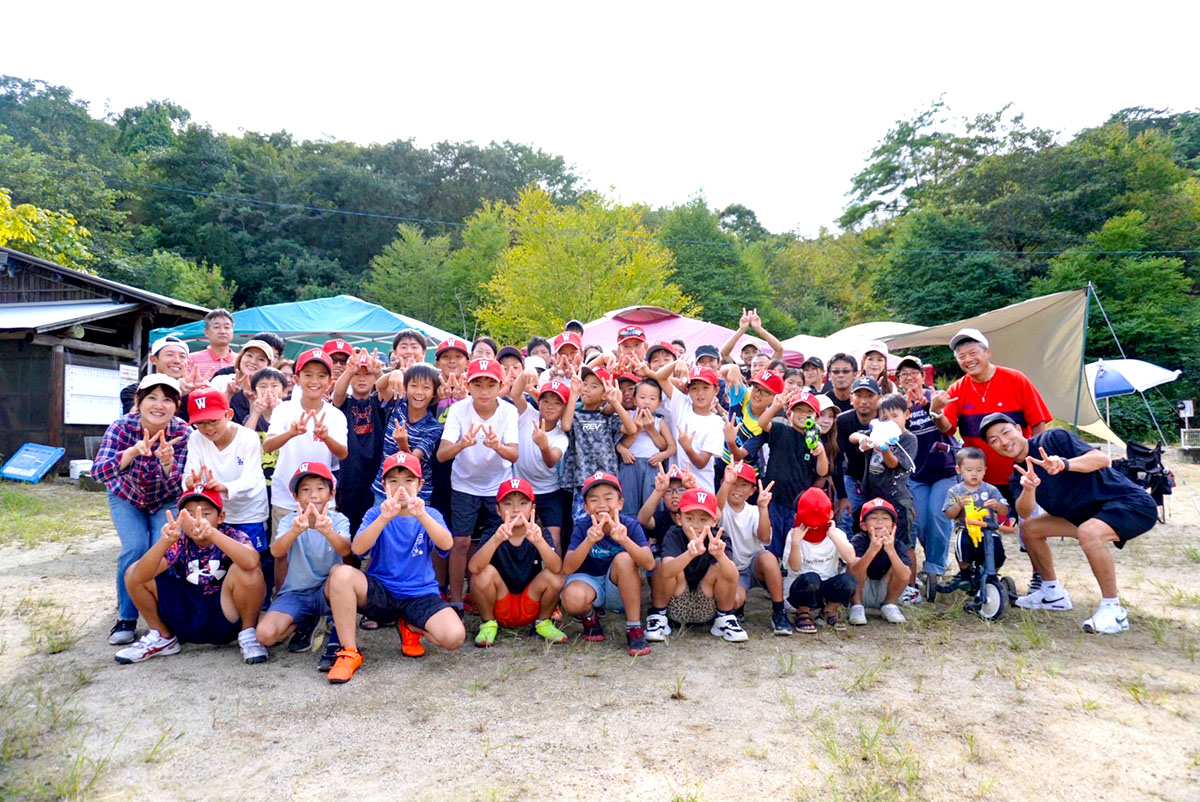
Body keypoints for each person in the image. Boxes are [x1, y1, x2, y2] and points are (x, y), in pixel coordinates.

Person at [982, 413, 1157, 634]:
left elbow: (1101, 460)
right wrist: (1029, 488)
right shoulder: (1018, 476)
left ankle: (1114, 610)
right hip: (1086, 515)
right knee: (1030, 528)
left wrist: (1064, 464)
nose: (1004, 442)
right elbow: (1024, 512)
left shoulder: (1053, 439)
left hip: (1130, 503)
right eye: (994, 440)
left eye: (1006, 432)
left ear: (1018, 428)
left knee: (1089, 532)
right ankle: (1051, 593)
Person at [323, 452, 464, 684]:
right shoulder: (375, 513)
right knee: (340, 574)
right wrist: (384, 519)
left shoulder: (430, 513)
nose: (401, 488)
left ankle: (411, 626)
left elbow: (447, 543)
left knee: (454, 636)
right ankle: (349, 651)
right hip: (382, 592)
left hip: (419, 594)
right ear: (384, 485)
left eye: (409, 481)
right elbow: (357, 549)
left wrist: (421, 515)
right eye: (393, 481)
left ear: (420, 484)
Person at [114, 485, 267, 664]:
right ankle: (162, 637)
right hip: (184, 612)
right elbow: (137, 577)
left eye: (206, 514)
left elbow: (252, 562)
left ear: (221, 517)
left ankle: (248, 634)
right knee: (133, 570)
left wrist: (213, 534)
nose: (197, 520)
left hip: (223, 615)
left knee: (248, 571)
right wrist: (164, 543)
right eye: (190, 514)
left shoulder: (232, 535)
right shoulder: (178, 542)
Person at [92, 374, 190, 646]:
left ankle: (162, 615)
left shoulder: (184, 433)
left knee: (162, 549)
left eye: (167, 400)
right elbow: (98, 472)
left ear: (176, 405)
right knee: (134, 547)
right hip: (126, 496)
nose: (159, 405)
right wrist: (133, 452)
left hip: (165, 499)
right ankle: (126, 617)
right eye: (152, 398)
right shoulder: (121, 427)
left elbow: (181, 484)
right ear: (138, 401)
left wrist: (168, 464)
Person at [436, 358, 520, 614]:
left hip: (498, 485)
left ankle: (494, 592)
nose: (484, 391)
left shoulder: (509, 411)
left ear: (501, 386)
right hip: (464, 484)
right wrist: (462, 444)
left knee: (499, 539)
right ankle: (457, 597)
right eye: (478, 384)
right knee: (460, 541)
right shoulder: (459, 410)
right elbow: (442, 455)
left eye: (490, 384)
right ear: (467, 385)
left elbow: (514, 455)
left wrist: (498, 447)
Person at [262, 349, 349, 589]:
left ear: (330, 382)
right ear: (297, 378)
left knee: (326, 547)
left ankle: (326, 598)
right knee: (282, 552)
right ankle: (282, 597)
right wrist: (290, 433)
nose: (314, 381)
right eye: (308, 374)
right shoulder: (283, 410)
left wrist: (326, 437)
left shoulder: (335, 415)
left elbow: (342, 453)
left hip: (322, 494)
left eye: (321, 376)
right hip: (285, 493)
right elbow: (268, 446)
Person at [181, 387, 270, 596]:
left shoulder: (247, 437)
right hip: (215, 513)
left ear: (228, 414)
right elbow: (188, 474)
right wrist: (190, 482)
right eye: (200, 422)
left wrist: (224, 487)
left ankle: (259, 600)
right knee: (219, 560)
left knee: (253, 560)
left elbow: (254, 478)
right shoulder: (195, 438)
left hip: (249, 511)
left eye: (213, 420)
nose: (207, 428)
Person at [256, 463, 351, 657]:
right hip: (297, 593)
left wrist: (327, 531)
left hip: (329, 592)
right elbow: (276, 551)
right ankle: (307, 619)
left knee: (341, 574)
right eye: (305, 490)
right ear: (296, 497)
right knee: (265, 635)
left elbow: (345, 549)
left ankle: (333, 618)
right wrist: (296, 530)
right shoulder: (289, 521)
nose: (313, 495)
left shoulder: (339, 519)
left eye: (320, 488)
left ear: (331, 494)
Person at [561, 473, 656, 655]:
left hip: (619, 588)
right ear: (586, 507)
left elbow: (649, 564)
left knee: (624, 558)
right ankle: (590, 617)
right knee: (571, 598)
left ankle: (634, 628)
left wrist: (625, 541)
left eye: (608, 498)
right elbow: (568, 568)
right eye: (594, 500)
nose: (602, 504)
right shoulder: (582, 526)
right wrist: (588, 541)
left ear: (620, 503)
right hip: (589, 583)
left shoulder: (630, 525)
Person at [468, 479, 569, 647]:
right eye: (508, 504)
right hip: (500, 603)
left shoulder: (540, 533)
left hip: (530, 601)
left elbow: (557, 568)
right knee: (483, 573)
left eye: (523, 503)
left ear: (532, 508)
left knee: (554, 576)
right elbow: (474, 568)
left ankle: (542, 623)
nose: (515, 510)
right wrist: (496, 540)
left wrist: (539, 542)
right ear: (498, 510)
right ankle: (488, 623)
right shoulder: (493, 533)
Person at [648, 487, 748, 643]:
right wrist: (689, 554)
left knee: (723, 567)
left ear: (714, 521)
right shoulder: (674, 534)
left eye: (703, 519)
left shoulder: (719, 538)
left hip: (707, 602)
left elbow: (733, 576)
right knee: (664, 564)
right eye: (689, 518)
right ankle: (658, 616)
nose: (696, 525)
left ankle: (725, 617)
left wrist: (720, 556)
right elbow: (666, 571)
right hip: (677, 601)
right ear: (679, 519)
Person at [896, 355, 959, 592]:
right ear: (899, 380)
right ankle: (938, 557)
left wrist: (933, 410)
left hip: (944, 470)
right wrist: (907, 412)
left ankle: (934, 566)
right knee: (920, 521)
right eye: (904, 374)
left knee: (939, 515)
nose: (910, 377)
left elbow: (948, 428)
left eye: (914, 372)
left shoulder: (937, 397)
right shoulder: (900, 405)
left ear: (923, 376)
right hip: (916, 474)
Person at [715, 461, 790, 636]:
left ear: (752, 491)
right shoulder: (721, 507)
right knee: (734, 601)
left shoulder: (754, 510)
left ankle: (779, 611)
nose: (737, 488)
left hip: (753, 565)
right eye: (734, 483)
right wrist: (727, 483)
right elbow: (715, 510)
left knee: (769, 558)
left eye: (744, 485)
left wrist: (763, 508)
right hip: (731, 569)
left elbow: (764, 538)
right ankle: (739, 606)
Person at [755, 389, 830, 559]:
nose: (803, 415)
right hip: (773, 500)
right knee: (771, 545)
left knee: (791, 546)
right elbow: (762, 423)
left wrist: (821, 452)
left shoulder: (814, 441)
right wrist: (775, 406)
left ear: (817, 418)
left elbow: (822, 472)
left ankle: (787, 576)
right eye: (799, 410)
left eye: (809, 412)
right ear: (789, 413)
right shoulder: (781, 430)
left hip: (797, 504)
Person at [561, 365, 637, 517]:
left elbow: (631, 429)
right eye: (585, 384)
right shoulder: (575, 415)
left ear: (604, 395)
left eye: (594, 386)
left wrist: (615, 402)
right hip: (582, 480)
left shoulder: (608, 418)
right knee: (582, 523)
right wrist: (574, 393)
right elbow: (565, 425)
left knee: (609, 520)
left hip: (608, 478)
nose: (586, 389)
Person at [510, 371, 571, 550]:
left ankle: (556, 575)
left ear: (564, 408)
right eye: (546, 400)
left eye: (557, 402)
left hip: (549, 491)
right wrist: (525, 373)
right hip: (520, 487)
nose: (550, 406)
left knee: (554, 538)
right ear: (538, 401)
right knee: (517, 535)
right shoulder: (527, 414)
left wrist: (544, 445)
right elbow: (515, 394)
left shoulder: (561, 436)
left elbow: (551, 460)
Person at [786, 488, 859, 632]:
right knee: (811, 579)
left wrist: (832, 535)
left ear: (831, 515)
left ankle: (828, 611)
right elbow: (794, 567)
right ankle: (803, 612)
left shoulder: (837, 534)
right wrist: (795, 543)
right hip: (801, 588)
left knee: (849, 582)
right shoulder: (794, 535)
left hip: (825, 588)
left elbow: (850, 558)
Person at [331, 348, 387, 537]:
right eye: (357, 375)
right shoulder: (344, 403)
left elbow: (386, 390)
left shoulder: (378, 402)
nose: (362, 379)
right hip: (349, 479)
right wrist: (349, 370)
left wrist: (379, 372)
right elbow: (336, 395)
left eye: (367, 374)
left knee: (374, 532)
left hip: (376, 480)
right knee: (349, 531)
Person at [939, 447, 1009, 595]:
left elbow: (1005, 511)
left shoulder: (990, 490)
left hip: (988, 530)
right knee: (961, 544)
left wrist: (998, 505)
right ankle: (965, 574)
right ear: (959, 470)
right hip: (966, 529)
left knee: (998, 552)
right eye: (969, 469)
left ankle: (991, 575)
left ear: (985, 470)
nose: (974, 473)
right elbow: (949, 514)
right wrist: (959, 505)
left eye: (979, 469)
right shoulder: (955, 491)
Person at [375, 363, 443, 506]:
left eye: (426, 387)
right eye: (414, 386)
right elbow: (380, 386)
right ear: (405, 387)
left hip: (416, 494)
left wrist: (402, 443)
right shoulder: (398, 403)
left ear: (434, 393)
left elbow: (413, 461)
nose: (419, 392)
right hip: (385, 488)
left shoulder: (433, 427)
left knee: (413, 528)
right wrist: (396, 373)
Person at [653, 360, 726, 492]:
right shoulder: (682, 404)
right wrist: (677, 363)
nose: (700, 393)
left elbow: (701, 463)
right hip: (676, 488)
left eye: (705, 388)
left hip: (702, 489)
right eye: (694, 388)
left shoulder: (716, 423)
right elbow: (660, 377)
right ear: (688, 391)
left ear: (716, 390)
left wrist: (687, 447)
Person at [847, 499, 913, 625]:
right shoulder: (859, 540)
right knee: (853, 562)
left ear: (893, 526)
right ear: (864, 525)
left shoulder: (898, 544)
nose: (880, 521)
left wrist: (891, 551)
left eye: (885, 518)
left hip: (885, 590)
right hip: (862, 589)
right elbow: (854, 571)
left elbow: (905, 575)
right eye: (873, 517)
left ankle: (889, 604)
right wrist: (872, 550)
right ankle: (856, 606)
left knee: (900, 566)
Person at [616, 379, 676, 517]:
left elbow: (669, 447)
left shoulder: (659, 422)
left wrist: (651, 430)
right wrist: (636, 430)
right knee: (628, 502)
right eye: (642, 397)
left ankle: (652, 536)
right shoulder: (627, 417)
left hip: (652, 464)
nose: (647, 402)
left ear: (659, 402)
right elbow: (621, 444)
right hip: (630, 463)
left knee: (651, 502)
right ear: (635, 400)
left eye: (652, 398)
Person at [836, 376, 881, 531]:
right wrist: (842, 495)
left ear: (879, 398)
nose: (864, 401)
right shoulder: (842, 421)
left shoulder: (887, 419)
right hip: (852, 477)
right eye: (859, 395)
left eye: (870, 395)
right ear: (851, 399)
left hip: (882, 479)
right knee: (842, 517)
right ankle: (846, 555)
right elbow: (838, 457)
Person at [120, 335, 197, 416]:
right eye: (169, 354)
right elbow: (134, 417)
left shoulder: (192, 393)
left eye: (182, 356)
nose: (177, 361)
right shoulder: (134, 390)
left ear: (188, 363)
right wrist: (177, 392)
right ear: (153, 359)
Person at [720, 308, 784, 380]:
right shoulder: (739, 373)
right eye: (746, 352)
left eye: (754, 352)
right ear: (741, 356)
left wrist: (758, 328)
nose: (750, 355)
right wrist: (741, 330)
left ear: (760, 353)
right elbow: (724, 353)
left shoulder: (768, 372)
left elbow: (779, 349)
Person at [226, 339, 277, 425]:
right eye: (249, 355)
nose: (253, 362)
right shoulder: (222, 381)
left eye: (261, 359)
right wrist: (228, 393)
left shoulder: (270, 392)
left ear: (268, 365)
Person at [188, 308, 237, 382]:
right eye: (216, 327)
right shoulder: (192, 359)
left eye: (227, 327)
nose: (222, 331)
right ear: (206, 332)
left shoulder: (241, 360)